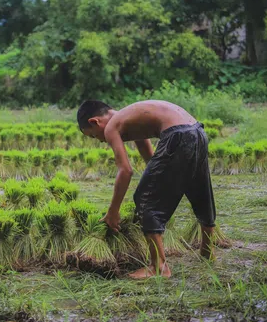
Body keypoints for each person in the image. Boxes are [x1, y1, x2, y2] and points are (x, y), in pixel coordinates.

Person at [77, 100, 216, 279]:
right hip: (197, 132)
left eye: (93, 136)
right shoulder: (131, 117)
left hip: (178, 135)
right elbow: (151, 159)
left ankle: (159, 267)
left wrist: (113, 211)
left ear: (94, 122)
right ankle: (207, 251)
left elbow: (125, 170)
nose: (100, 140)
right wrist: (160, 185)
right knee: (199, 189)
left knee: (145, 197)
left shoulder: (112, 127)